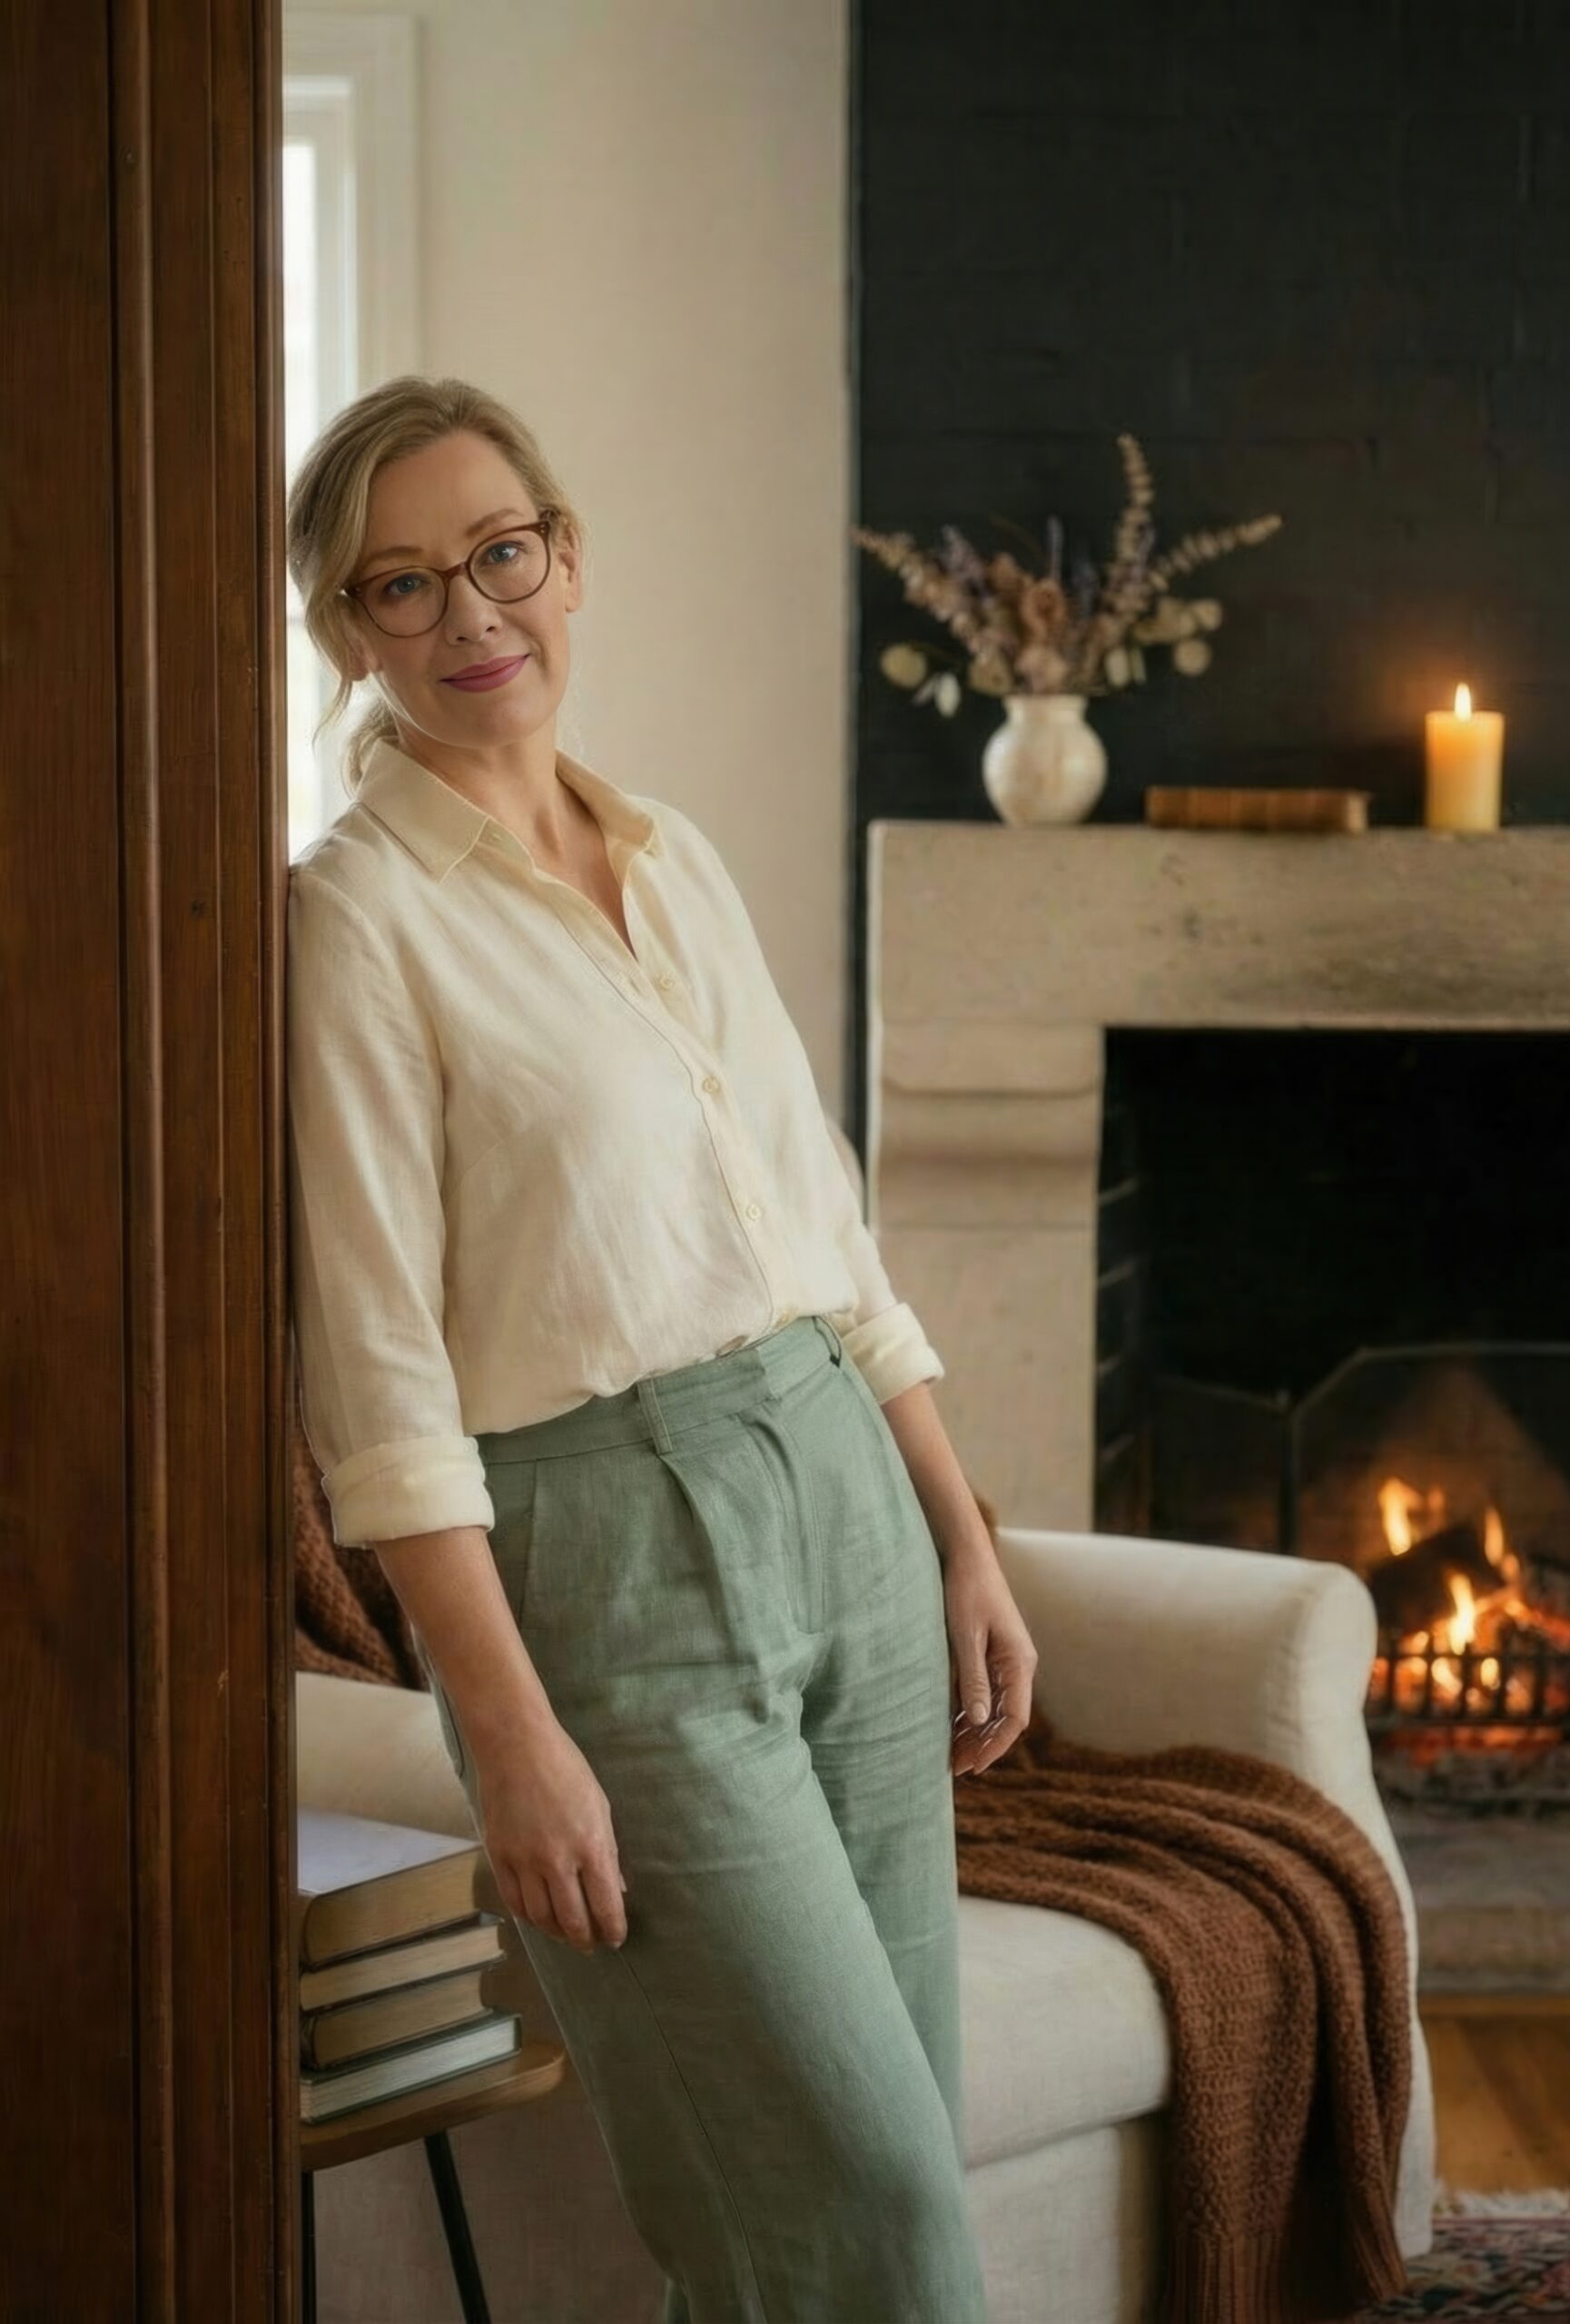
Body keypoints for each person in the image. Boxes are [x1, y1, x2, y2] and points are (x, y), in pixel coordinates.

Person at [283, 374, 1036, 2323]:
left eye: (499, 552)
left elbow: (823, 1227)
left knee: (839, 2206)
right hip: (605, 1570)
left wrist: (956, 1529)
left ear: (567, 553)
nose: (470, 617)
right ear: (347, 631)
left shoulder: (672, 853)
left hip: (843, 1501)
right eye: (400, 585)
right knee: (867, 2220)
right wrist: (508, 1732)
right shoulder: (351, 922)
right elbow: (378, 1383)